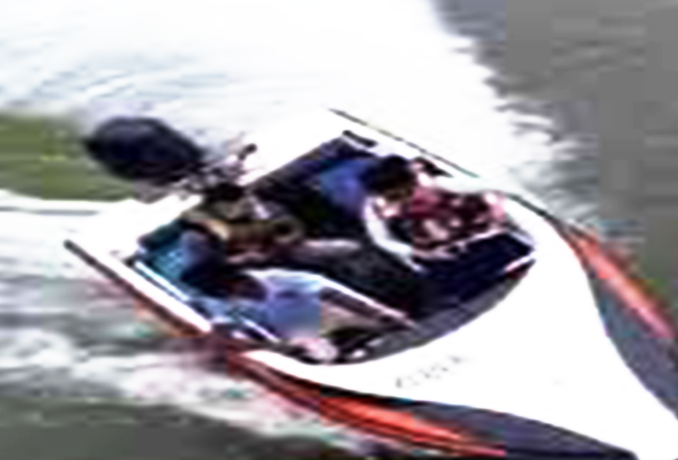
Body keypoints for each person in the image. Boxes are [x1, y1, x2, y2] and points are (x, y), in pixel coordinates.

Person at [184, 259, 409, 362]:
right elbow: (222, 338)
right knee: (323, 357)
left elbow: (334, 296)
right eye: (222, 295)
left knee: (395, 324)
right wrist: (273, 348)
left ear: (239, 278)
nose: (232, 297)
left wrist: (381, 312)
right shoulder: (218, 299)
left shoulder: (282, 277)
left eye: (231, 291)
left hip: (337, 311)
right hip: (300, 334)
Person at [359, 155, 511, 268]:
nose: (402, 200)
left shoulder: (434, 183)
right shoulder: (375, 206)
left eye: (405, 193)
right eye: (393, 197)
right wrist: (419, 253)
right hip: (438, 251)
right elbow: (382, 240)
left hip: (482, 233)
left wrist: (497, 210)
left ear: (412, 181)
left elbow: (486, 187)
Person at [183, 180, 359, 271]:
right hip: (252, 274)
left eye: (246, 202)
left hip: (290, 253)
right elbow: (209, 266)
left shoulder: (265, 207)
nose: (246, 206)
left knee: (349, 248)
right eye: (237, 204)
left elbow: (295, 229)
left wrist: (285, 243)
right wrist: (242, 260)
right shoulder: (197, 234)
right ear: (217, 207)